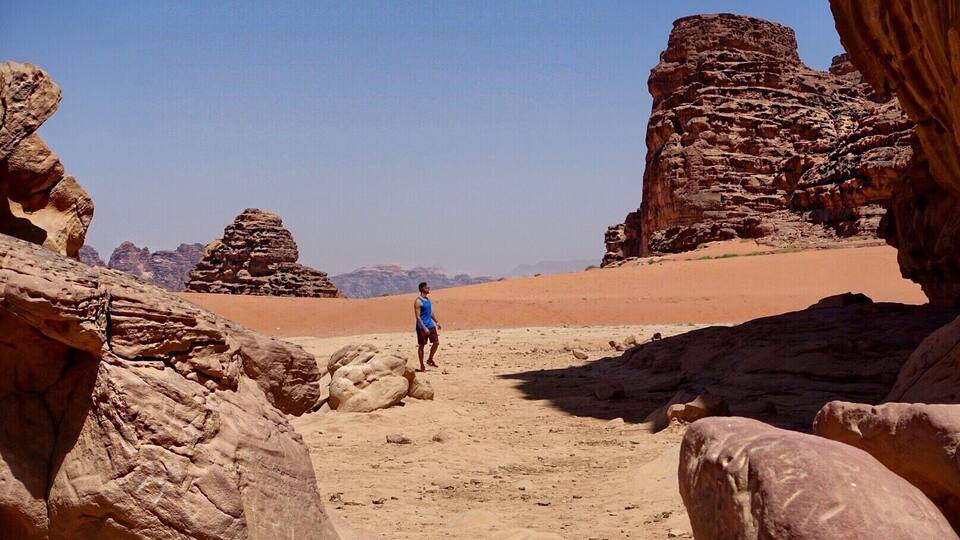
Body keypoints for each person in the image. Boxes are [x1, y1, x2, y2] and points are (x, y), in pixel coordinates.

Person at [414, 281, 441, 371]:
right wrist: (424, 328)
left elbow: (430, 312)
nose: (429, 288)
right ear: (422, 289)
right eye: (427, 287)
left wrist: (436, 322)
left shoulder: (428, 300)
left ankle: (430, 359)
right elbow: (417, 317)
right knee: (422, 346)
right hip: (422, 327)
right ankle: (422, 365)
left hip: (430, 324)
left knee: (436, 342)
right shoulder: (418, 301)